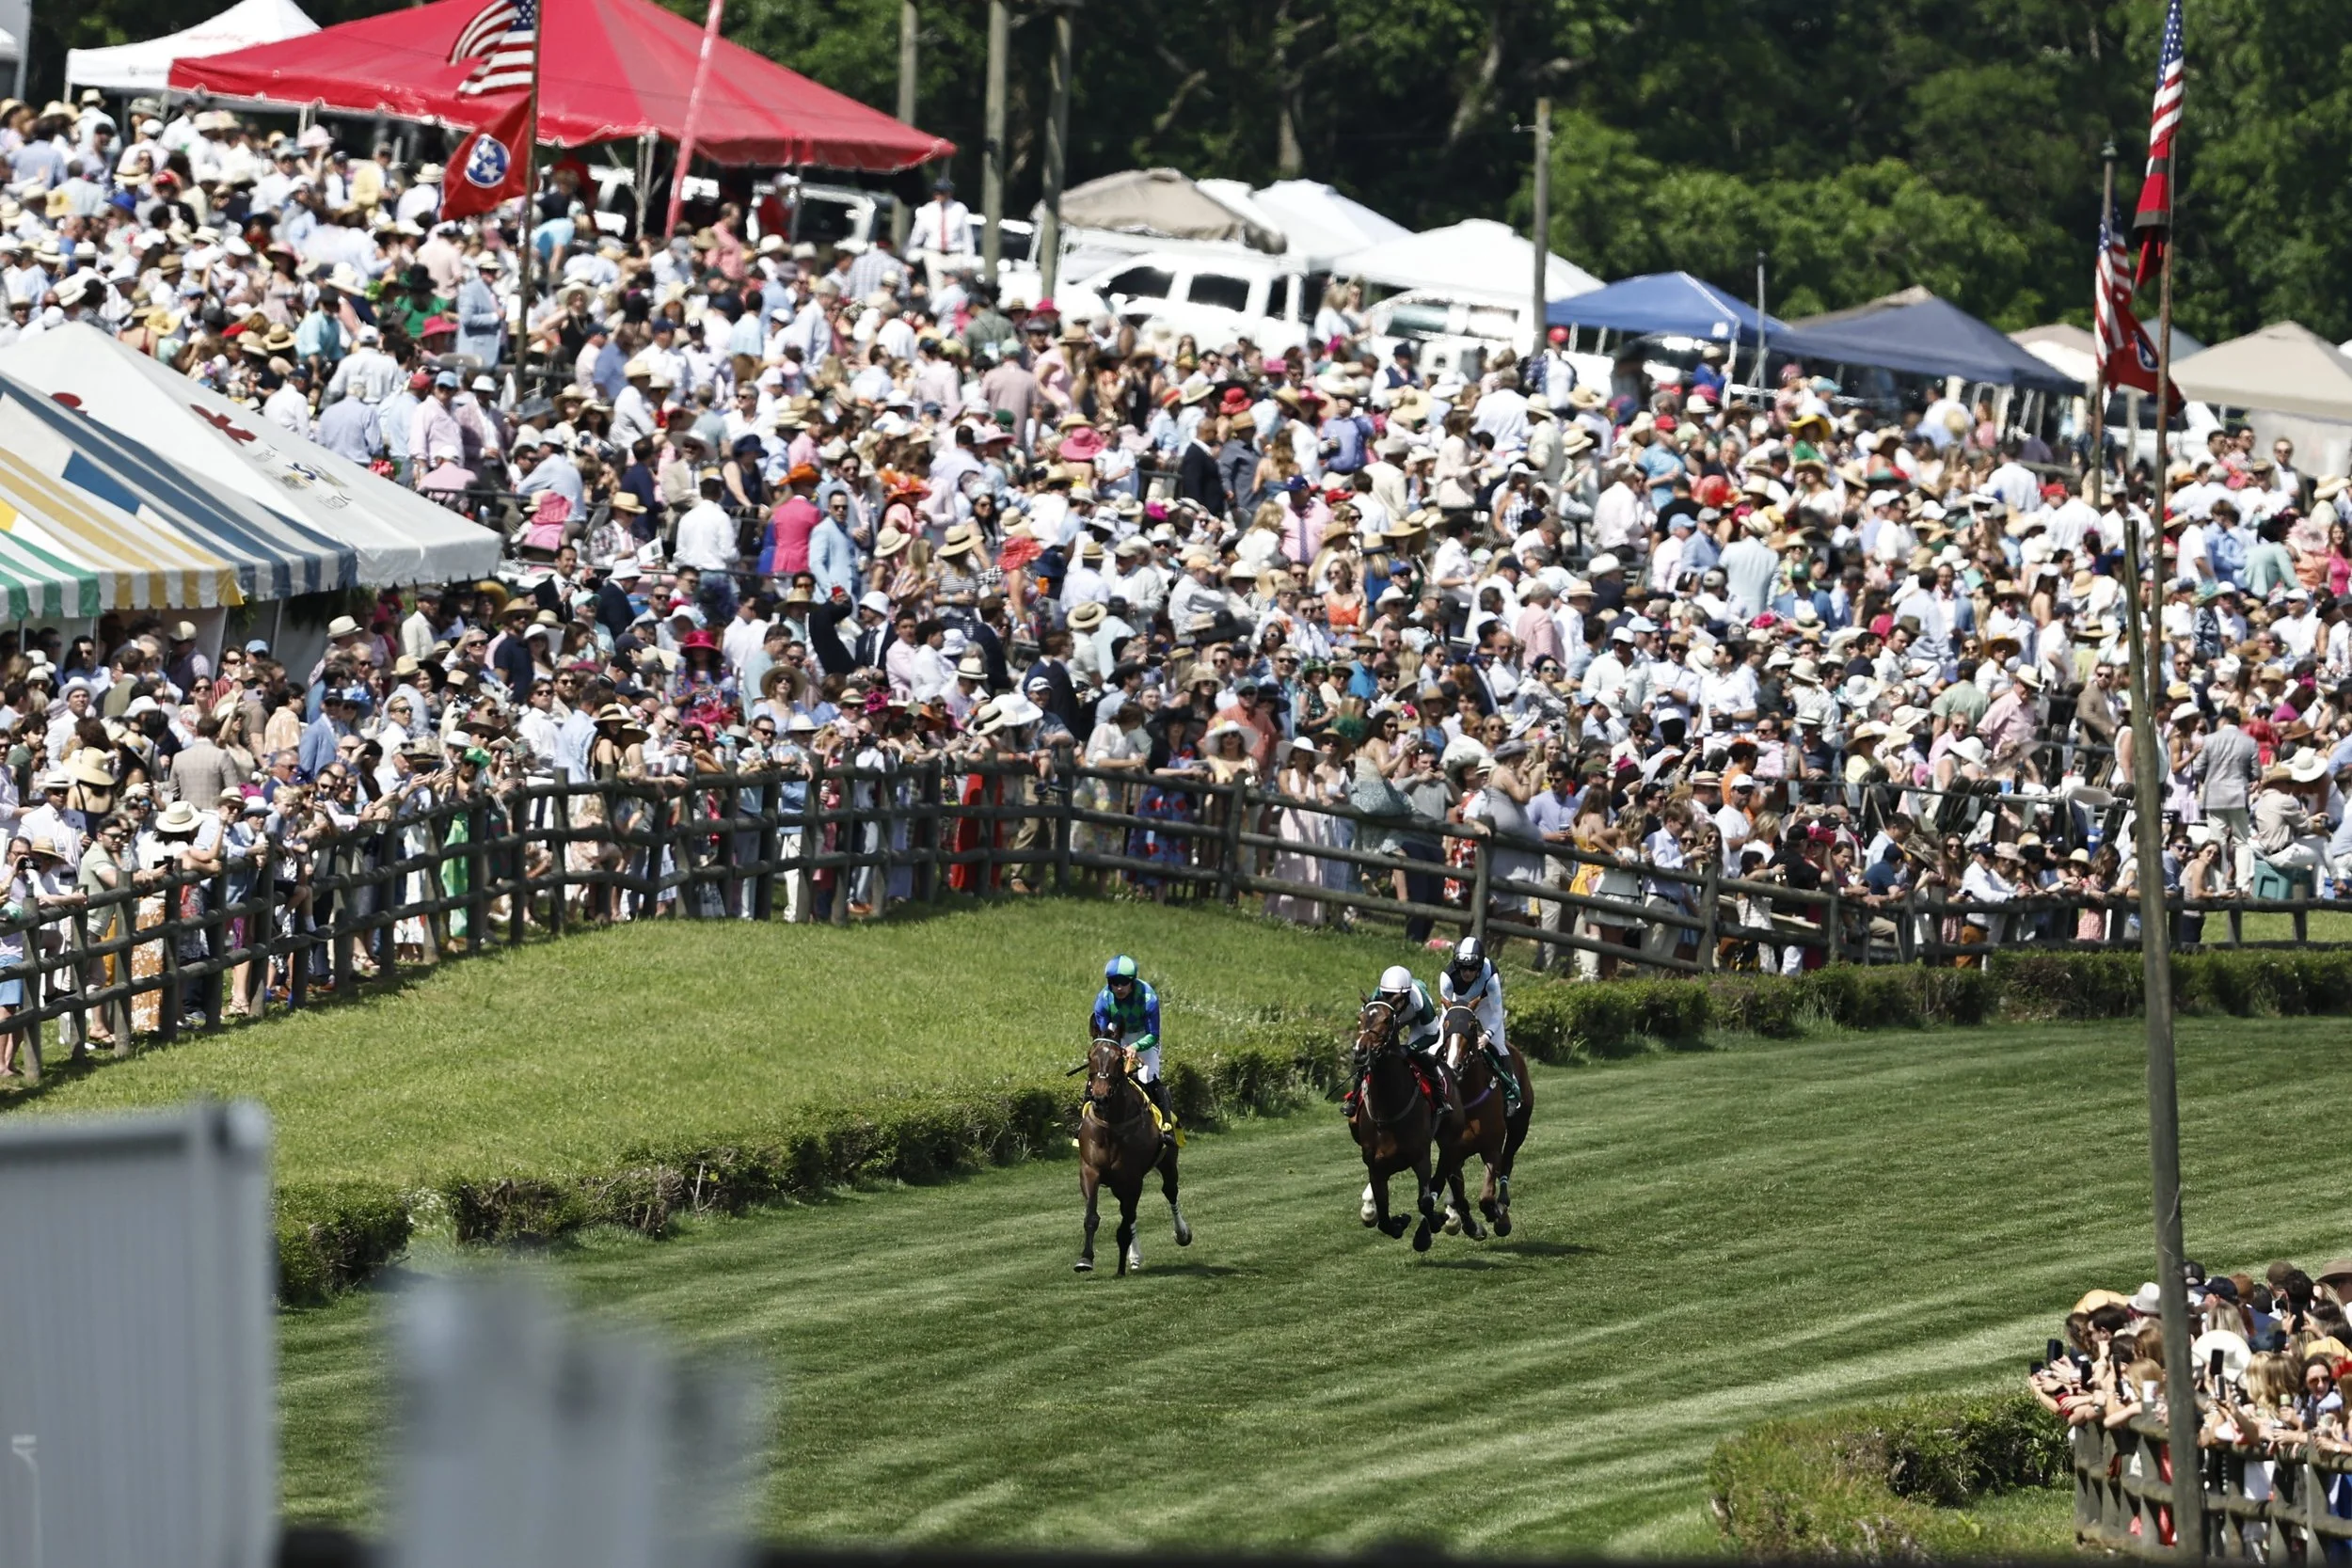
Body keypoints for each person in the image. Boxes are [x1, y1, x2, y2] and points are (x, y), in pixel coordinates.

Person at [1089, 953, 1175, 1146]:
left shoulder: (1148, 998)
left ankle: (1167, 1126)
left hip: (1144, 1037)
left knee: (1148, 1077)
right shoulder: (1103, 1000)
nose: (1119, 987)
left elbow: (1154, 1035)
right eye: (1114, 982)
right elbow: (1104, 1035)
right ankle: (1083, 1126)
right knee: (1100, 1074)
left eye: (1124, 982)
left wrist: (1135, 1047)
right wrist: (1113, 1050)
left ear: (1133, 981)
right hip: (1117, 1036)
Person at [1435, 936, 1519, 1110]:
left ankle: (1511, 1092)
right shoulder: (1447, 977)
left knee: (1498, 1044)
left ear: (1480, 967)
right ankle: (1435, 1090)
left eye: (1472, 968)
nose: (1466, 973)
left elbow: (1497, 1013)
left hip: (1485, 1004)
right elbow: (1447, 1015)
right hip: (1458, 1005)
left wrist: (1487, 1036)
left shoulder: (1491, 977)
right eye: (1462, 967)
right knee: (1436, 1044)